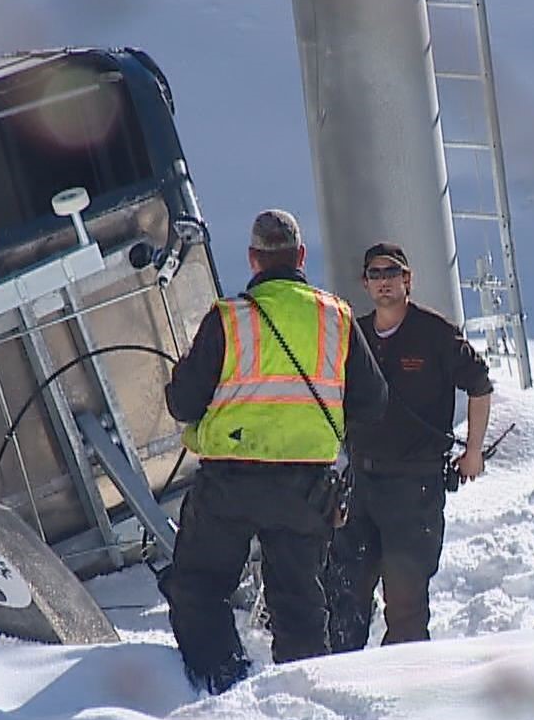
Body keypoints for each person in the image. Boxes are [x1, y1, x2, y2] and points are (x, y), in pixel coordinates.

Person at [160, 209, 388, 694]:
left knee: (199, 585)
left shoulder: (229, 319)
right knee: (300, 601)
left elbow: (183, 403)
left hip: (230, 483)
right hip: (306, 486)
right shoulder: (337, 318)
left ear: (253, 259)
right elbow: (373, 402)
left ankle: (223, 685)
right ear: (300, 256)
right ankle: (302, 694)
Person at [324, 243, 494, 651]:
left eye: (392, 273)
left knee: (405, 601)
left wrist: (473, 451)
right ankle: (341, 674)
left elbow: (480, 385)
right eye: (375, 274)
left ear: (408, 280)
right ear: (365, 283)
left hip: (414, 486)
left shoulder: (434, 333)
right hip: (361, 483)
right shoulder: (353, 336)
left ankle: (404, 678)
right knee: (345, 591)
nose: (384, 281)